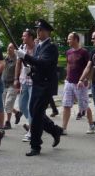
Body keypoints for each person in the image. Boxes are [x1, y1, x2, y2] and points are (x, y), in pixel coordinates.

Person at [16, 20, 63, 156]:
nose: (38, 32)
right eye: (37, 29)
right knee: (34, 112)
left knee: (36, 115)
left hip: (46, 85)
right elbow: (38, 64)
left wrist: (25, 56)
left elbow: (44, 63)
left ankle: (35, 146)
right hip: (37, 82)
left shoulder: (51, 47)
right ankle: (55, 130)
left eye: (41, 30)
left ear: (47, 32)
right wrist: (31, 69)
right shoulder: (40, 46)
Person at [62, 32, 94, 134]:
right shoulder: (68, 52)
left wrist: (87, 79)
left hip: (80, 83)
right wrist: (67, 76)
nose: (68, 41)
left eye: (70, 39)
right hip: (69, 82)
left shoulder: (84, 52)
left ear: (76, 39)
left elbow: (90, 67)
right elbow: (68, 64)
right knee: (66, 105)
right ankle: (64, 128)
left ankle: (91, 125)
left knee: (84, 106)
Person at [14, 29, 35, 142]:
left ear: (31, 37)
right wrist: (16, 78)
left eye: (25, 36)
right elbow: (18, 63)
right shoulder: (22, 48)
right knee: (22, 106)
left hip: (33, 82)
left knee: (31, 106)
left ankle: (31, 131)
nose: (23, 38)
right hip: (23, 81)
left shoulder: (37, 48)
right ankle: (34, 122)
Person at [1, 43, 20, 128]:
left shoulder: (17, 59)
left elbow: (20, 72)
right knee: (5, 104)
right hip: (4, 84)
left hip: (13, 84)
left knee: (8, 103)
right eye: (8, 47)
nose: (9, 49)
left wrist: (19, 84)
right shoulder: (5, 58)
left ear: (15, 49)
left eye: (11, 48)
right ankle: (17, 113)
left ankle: (7, 122)